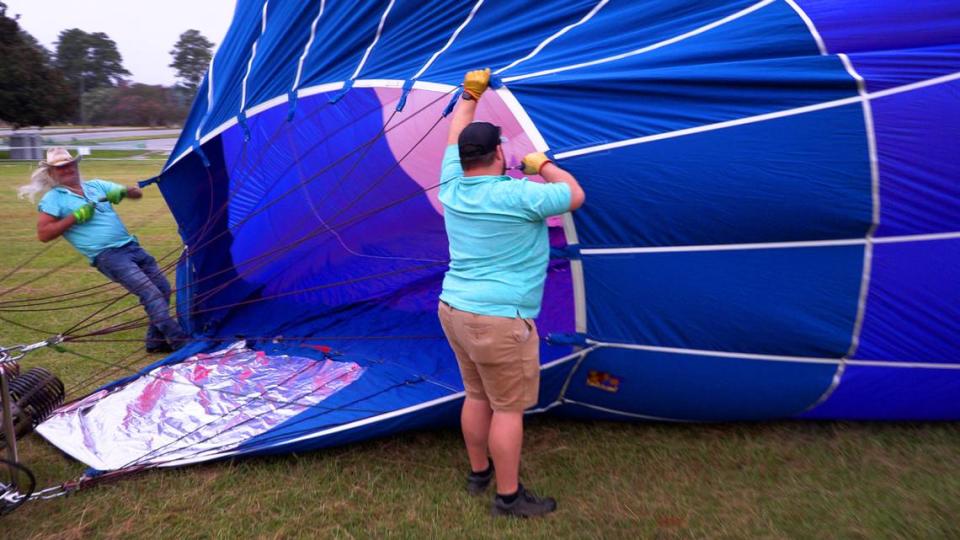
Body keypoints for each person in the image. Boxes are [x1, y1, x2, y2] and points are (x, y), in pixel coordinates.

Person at [437, 68, 586, 518]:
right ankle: (508, 497)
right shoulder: (522, 195)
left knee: (476, 395)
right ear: (499, 152)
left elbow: (454, 132)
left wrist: (470, 95)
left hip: (454, 310)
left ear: (463, 158)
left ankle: (478, 472)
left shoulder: (450, 184)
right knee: (507, 409)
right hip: (500, 320)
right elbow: (574, 195)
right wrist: (544, 166)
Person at [19, 147, 188, 353]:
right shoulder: (54, 198)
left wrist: (125, 191)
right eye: (60, 168)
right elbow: (44, 234)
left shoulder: (96, 185)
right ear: (51, 173)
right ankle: (181, 341)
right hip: (109, 256)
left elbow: (136, 194)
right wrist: (75, 217)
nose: (67, 169)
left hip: (131, 246)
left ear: (75, 165)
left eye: (69, 165)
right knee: (150, 293)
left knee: (162, 289)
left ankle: (155, 343)